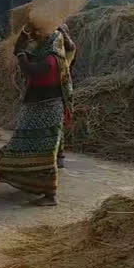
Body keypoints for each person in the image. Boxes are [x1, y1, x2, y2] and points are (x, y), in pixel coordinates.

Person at [0, 23, 75, 206]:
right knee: (28, 145)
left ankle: (50, 195)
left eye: (43, 37)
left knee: (44, 152)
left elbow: (32, 71)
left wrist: (21, 53)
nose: (39, 40)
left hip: (47, 110)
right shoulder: (56, 55)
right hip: (36, 107)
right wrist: (23, 38)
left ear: (52, 41)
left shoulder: (53, 60)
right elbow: (70, 47)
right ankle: (28, 183)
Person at [56, 23, 77, 168]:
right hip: (56, 89)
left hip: (59, 90)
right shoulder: (56, 51)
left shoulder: (65, 53)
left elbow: (71, 46)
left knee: (58, 122)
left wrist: (59, 29)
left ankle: (59, 155)